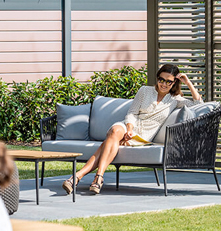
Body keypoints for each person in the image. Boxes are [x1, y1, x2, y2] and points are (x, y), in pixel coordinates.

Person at [62, 63, 203, 195]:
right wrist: (129, 129)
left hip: (142, 136)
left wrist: (188, 83)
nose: (164, 84)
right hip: (129, 126)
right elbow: (132, 113)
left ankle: (77, 177)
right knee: (114, 131)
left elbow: (198, 103)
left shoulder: (175, 99)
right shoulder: (145, 90)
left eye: (168, 81)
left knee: (108, 143)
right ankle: (98, 178)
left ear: (174, 83)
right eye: (161, 79)